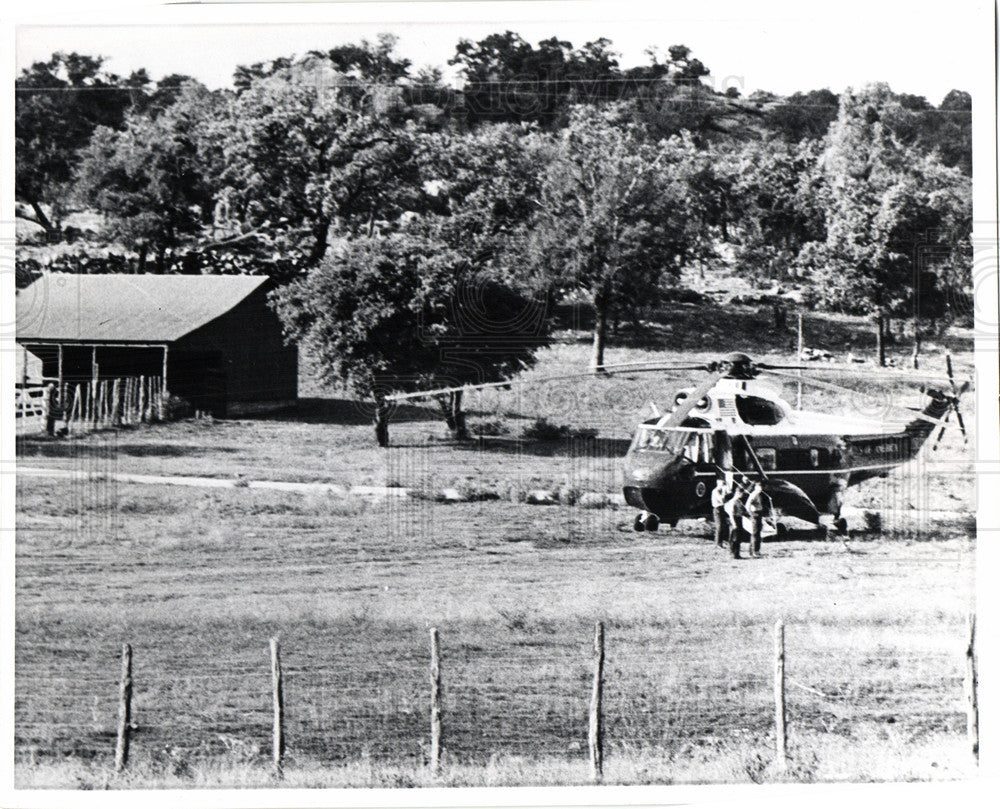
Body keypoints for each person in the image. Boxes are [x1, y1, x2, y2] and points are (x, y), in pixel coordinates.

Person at [723, 488, 745, 559]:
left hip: (739, 518)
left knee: (738, 537)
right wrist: (734, 523)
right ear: (738, 493)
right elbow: (731, 514)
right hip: (735, 519)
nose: (742, 495)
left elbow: (742, 510)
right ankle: (732, 553)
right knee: (734, 538)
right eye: (741, 493)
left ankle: (737, 554)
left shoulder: (739, 501)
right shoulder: (733, 502)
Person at [745, 481, 765, 558]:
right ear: (756, 487)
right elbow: (747, 505)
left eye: (761, 487)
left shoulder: (759, 494)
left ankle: (756, 550)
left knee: (758, 533)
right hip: (755, 514)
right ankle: (754, 551)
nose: (760, 488)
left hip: (759, 513)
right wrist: (751, 513)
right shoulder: (754, 494)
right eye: (759, 487)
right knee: (755, 533)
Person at [710, 478, 730, 548]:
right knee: (719, 526)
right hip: (717, 509)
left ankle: (722, 542)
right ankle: (718, 543)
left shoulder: (720, 491)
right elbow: (721, 500)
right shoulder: (715, 491)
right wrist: (724, 493)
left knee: (723, 525)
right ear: (718, 484)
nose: (723, 485)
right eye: (722, 484)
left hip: (721, 509)